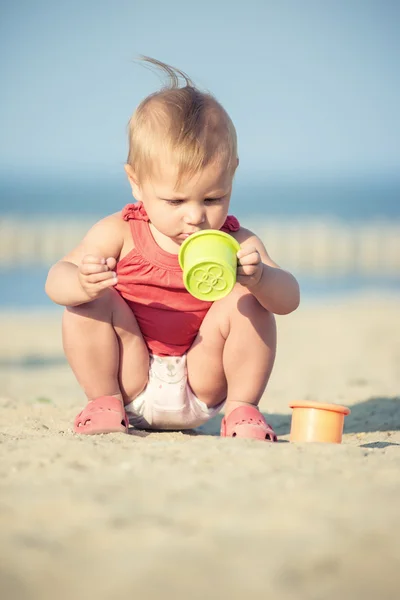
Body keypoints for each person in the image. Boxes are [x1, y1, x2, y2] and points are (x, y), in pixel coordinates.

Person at [45, 57, 300, 441]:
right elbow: (55, 281)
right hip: (130, 380)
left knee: (247, 303)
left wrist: (260, 280)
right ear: (136, 183)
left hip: (203, 382)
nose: (196, 216)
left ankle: (243, 409)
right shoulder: (120, 232)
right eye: (176, 202)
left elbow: (289, 299)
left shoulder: (236, 241)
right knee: (87, 304)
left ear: (232, 174)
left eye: (214, 198)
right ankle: (101, 401)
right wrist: (82, 283)